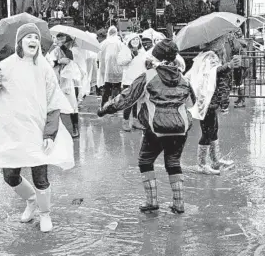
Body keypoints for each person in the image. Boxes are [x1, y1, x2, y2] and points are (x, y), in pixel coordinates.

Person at [0, 23, 74, 233]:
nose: (33, 41)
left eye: (36, 38)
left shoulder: (45, 68)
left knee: (40, 177)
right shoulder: (4, 67)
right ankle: (31, 201)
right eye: (28, 37)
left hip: (37, 132)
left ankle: (45, 214)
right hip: (11, 131)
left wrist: (50, 133)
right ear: (19, 42)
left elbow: (54, 102)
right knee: (10, 176)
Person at [98, 39, 196, 214]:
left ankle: (152, 201)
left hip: (156, 128)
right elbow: (191, 103)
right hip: (180, 128)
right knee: (173, 162)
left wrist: (105, 109)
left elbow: (126, 98)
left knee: (145, 161)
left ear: (156, 55)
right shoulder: (184, 79)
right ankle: (179, 203)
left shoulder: (149, 76)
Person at [185, 35, 241, 175]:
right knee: (207, 132)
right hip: (206, 100)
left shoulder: (209, 56)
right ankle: (202, 164)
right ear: (215, 43)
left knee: (214, 129)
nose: (223, 43)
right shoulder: (209, 56)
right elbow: (211, 73)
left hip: (211, 99)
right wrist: (228, 66)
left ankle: (215, 159)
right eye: (221, 41)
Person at [50, 33, 83, 138]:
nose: (61, 42)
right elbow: (49, 63)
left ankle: (75, 127)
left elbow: (77, 69)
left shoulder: (71, 52)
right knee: (55, 104)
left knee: (73, 105)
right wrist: (59, 61)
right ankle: (56, 128)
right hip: (56, 81)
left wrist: (69, 56)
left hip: (68, 82)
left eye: (63, 40)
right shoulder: (54, 51)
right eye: (59, 40)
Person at [117, 33, 146, 131]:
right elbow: (120, 62)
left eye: (137, 39)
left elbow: (145, 63)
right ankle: (125, 121)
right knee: (128, 102)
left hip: (139, 79)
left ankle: (135, 120)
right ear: (129, 41)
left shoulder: (142, 51)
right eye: (133, 40)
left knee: (137, 101)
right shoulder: (125, 50)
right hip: (128, 80)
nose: (135, 41)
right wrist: (131, 57)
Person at [98, 26, 124, 107]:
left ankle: (104, 104)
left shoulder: (104, 43)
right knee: (117, 87)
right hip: (118, 69)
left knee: (107, 88)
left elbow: (99, 56)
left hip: (107, 70)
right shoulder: (120, 43)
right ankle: (115, 105)